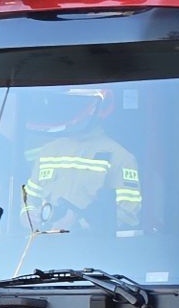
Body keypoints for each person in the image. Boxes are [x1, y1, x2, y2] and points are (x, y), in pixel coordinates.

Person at [21, 87, 142, 232]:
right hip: (45, 248)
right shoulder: (48, 151)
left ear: (97, 108)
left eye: (76, 103)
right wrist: (27, 215)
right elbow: (29, 199)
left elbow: (128, 216)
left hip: (93, 251)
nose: (69, 108)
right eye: (67, 102)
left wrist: (78, 223)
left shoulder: (121, 157)